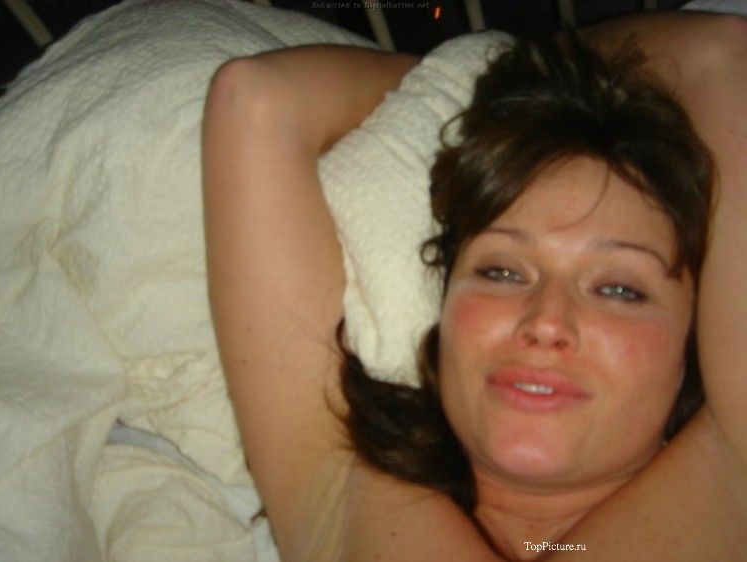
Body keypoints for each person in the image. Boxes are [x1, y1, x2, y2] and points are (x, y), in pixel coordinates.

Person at [201, 9, 747, 562]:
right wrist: (485, 76)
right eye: (502, 272)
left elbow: (720, 54)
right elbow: (255, 101)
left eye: (619, 290)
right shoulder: (337, 497)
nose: (546, 322)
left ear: (693, 348)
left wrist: (518, 74)